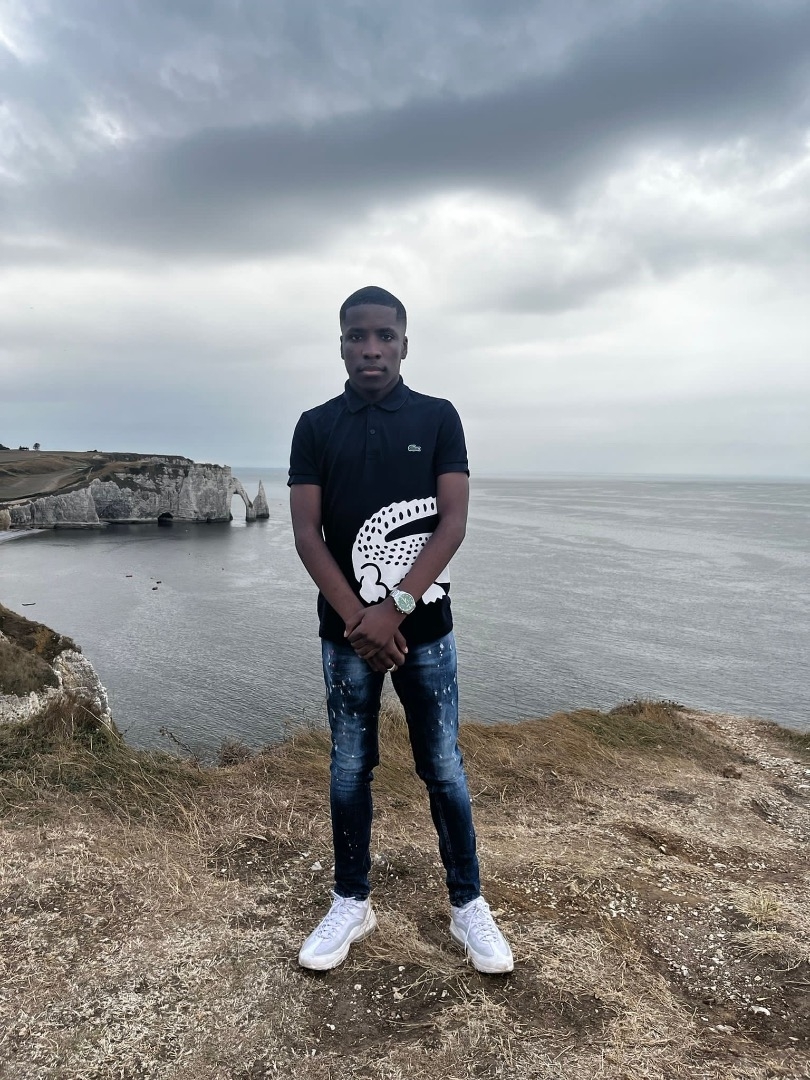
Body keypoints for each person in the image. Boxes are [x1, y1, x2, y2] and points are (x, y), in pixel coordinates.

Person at [288, 285, 512, 974]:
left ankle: (467, 903)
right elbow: (307, 534)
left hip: (426, 633)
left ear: (404, 344)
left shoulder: (438, 417)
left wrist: (396, 608)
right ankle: (351, 900)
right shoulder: (315, 426)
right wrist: (361, 619)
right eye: (357, 336)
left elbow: (452, 523)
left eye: (384, 336)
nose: (371, 349)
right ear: (341, 345)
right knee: (349, 767)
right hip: (346, 638)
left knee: (442, 765)